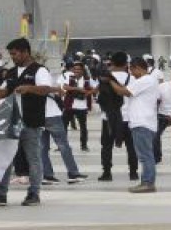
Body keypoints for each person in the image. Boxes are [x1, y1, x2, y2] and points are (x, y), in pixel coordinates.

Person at [0, 38, 59, 207]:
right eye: (11, 54)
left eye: (14, 53)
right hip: (12, 122)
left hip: (31, 122)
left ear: (25, 52)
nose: (12, 57)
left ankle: (34, 193)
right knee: (5, 157)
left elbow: (46, 89)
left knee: (33, 158)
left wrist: (29, 88)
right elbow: (3, 92)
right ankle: (0, 193)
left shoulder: (39, 71)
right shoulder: (12, 73)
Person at [104, 57, 160, 193]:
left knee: (145, 155)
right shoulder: (147, 81)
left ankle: (148, 183)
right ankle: (147, 182)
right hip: (143, 122)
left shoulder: (145, 80)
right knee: (146, 155)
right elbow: (127, 92)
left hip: (142, 123)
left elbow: (123, 91)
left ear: (138, 68)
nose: (132, 73)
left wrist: (110, 80)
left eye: (132, 70)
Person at [94, 52, 138, 182]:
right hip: (128, 118)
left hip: (108, 118)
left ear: (111, 62)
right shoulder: (133, 78)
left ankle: (107, 173)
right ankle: (133, 173)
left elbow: (99, 96)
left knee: (107, 146)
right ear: (126, 64)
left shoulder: (104, 78)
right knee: (131, 147)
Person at [61, 63, 95, 152]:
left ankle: (84, 145)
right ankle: (62, 145)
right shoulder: (69, 77)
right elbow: (65, 87)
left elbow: (95, 88)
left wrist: (88, 93)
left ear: (82, 70)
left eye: (79, 69)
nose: (76, 71)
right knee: (64, 125)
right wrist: (78, 89)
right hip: (70, 105)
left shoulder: (88, 79)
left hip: (82, 106)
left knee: (83, 127)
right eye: (75, 69)